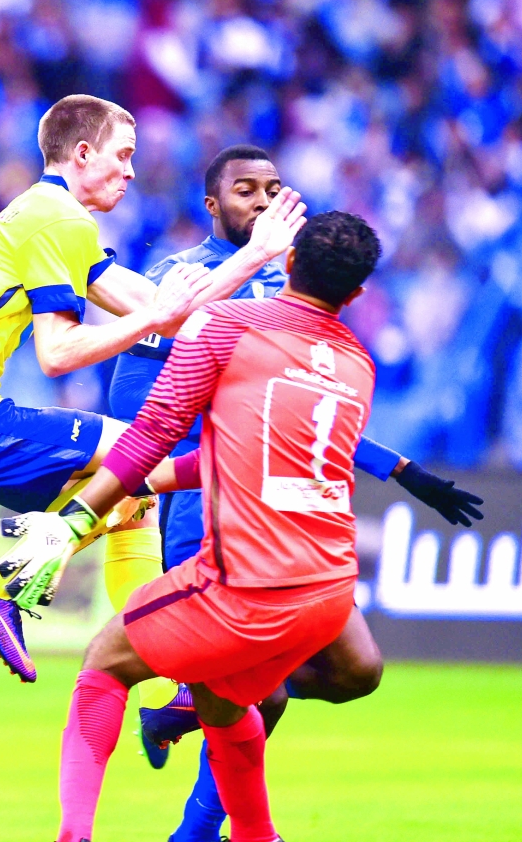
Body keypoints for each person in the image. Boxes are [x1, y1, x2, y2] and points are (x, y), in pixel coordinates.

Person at [107, 146, 483, 842]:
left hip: (287, 513)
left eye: (272, 188)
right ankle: (196, 821)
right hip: (210, 506)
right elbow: (137, 403)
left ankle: (186, 731)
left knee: (315, 681)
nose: (261, 200)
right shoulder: (183, 279)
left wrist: (401, 469)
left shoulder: (294, 288)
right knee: (263, 693)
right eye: (244, 189)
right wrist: (195, 455)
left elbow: (311, 411)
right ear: (212, 205)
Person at [0, 96, 307, 686]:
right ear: (83, 153)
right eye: (122, 155)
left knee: (132, 501)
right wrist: (157, 316)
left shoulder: (50, 215)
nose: (130, 171)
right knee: (140, 460)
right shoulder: (59, 221)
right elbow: (58, 354)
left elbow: (168, 312)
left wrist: (253, 256)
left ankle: (164, 673)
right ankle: (1, 584)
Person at [21, 210, 384, 842]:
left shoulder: (227, 326)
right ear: (355, 295)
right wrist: (160, 481)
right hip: (330, 593)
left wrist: (74, 522)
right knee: (223, 698)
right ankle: (254, 835)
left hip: (247, 583)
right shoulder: (358, 365)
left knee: (105, 662)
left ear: (287, 262)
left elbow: (153, 430)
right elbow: (253, 450)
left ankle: (72, 836)